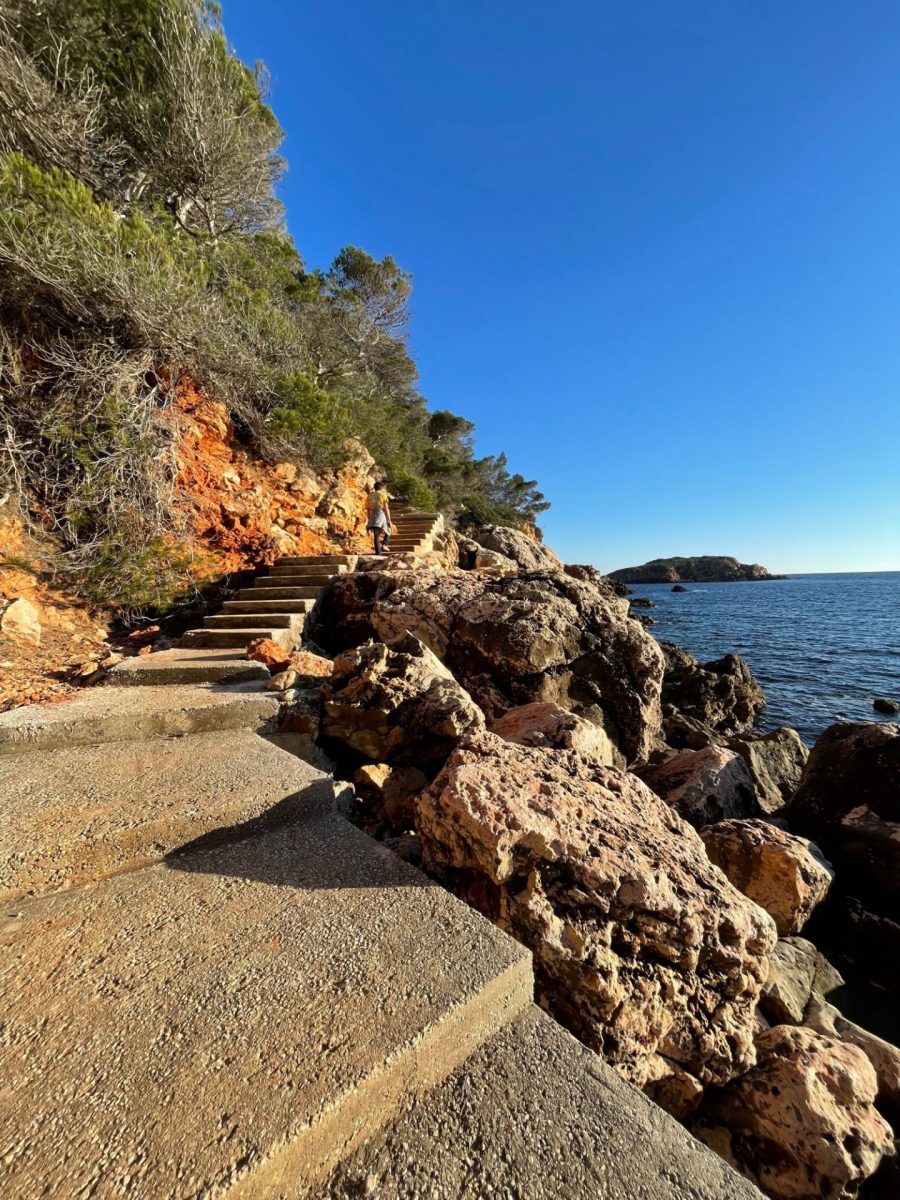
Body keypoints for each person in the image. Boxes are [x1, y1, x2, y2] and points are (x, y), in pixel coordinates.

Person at [366, 480, 393, 555]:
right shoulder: (383, 495)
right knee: (388, 529)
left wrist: (369, 520)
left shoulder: (369, 496)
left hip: (373, 515)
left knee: (376, 535)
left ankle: (378, 554)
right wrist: (389, 520)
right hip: (380, 514)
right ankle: (385, 544)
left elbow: (368, 510)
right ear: (382, 488)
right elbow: (386, 508)